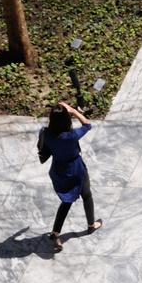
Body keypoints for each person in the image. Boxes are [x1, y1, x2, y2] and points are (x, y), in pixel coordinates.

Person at [40, 102, 102, 253]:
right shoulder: (71, 136)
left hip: (58, 169)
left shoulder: (45, 132)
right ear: (66, 119)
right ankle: (91, 225)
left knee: (67, 200)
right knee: (86, 194)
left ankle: (55, 233)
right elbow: (87, 125)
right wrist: (73, 110)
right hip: (75, 168)